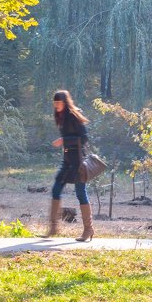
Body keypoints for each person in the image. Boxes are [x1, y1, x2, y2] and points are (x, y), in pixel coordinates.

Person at [48, 90, 94, 241]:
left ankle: (88, 229)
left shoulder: (74, 115)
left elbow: (84, 138)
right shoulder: (60, 117)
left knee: (80, 193)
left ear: (65, 102)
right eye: (55, 103)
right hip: (67, 160)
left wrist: (63, 141)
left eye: (59, 103)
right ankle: (53, 227)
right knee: (56, 189)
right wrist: (65, 142)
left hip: (78, 162)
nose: (56, 106)